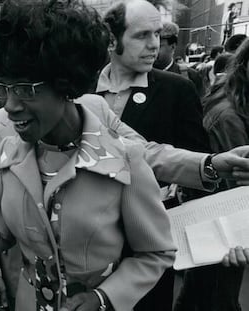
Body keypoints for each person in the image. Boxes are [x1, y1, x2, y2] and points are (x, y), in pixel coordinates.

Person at [0, 1, 178, 311]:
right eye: (3, 88)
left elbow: (156, 253)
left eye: (25, 89)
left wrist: (103, 298)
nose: (9, 105)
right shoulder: (9, 156)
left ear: (65, 84)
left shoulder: (125, 162)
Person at [99, 1, 211, 309]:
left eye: (158, 34)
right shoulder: (80, 88)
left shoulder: (178, 90)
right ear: (112, 38)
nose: (154, 45)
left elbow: (196, 168)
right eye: (142, 35)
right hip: (86, 248)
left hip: (147, 247)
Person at [174, 38, 249, 311]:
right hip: (223, 224)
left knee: (200, 292)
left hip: (216, 222)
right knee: (218, 296)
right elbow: (237, 188)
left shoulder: (234, 97)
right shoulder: (229, 115)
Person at [153, 21, 204, 97]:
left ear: (173, 46)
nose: (153, 51)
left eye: (159, 46)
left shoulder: (191, 76)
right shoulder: (139, 75)